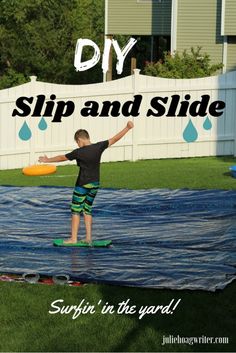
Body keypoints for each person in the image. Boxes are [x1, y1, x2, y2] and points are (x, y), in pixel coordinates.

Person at [38, 121, 134, 244]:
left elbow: (62, 157)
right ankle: (88, 238)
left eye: (77, 142)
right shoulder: (99, 147)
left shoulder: (79, 152)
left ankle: (73, 238)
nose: (77, 145)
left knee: (75, 210)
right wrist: (127, 128)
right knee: (87, 209)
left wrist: (47, 160)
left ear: (79, 140)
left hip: (82, 184)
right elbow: (115, 139)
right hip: (95, 184)